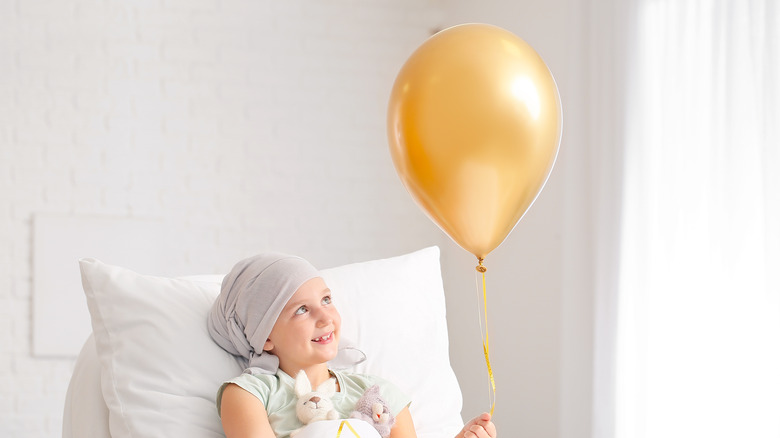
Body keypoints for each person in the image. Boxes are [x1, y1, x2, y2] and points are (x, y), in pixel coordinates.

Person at [208, 253, 498, 438]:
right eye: (301, 310)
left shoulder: (377, 393)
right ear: (265, 337)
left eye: (326, 300)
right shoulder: (249, 395)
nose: (325, 318)